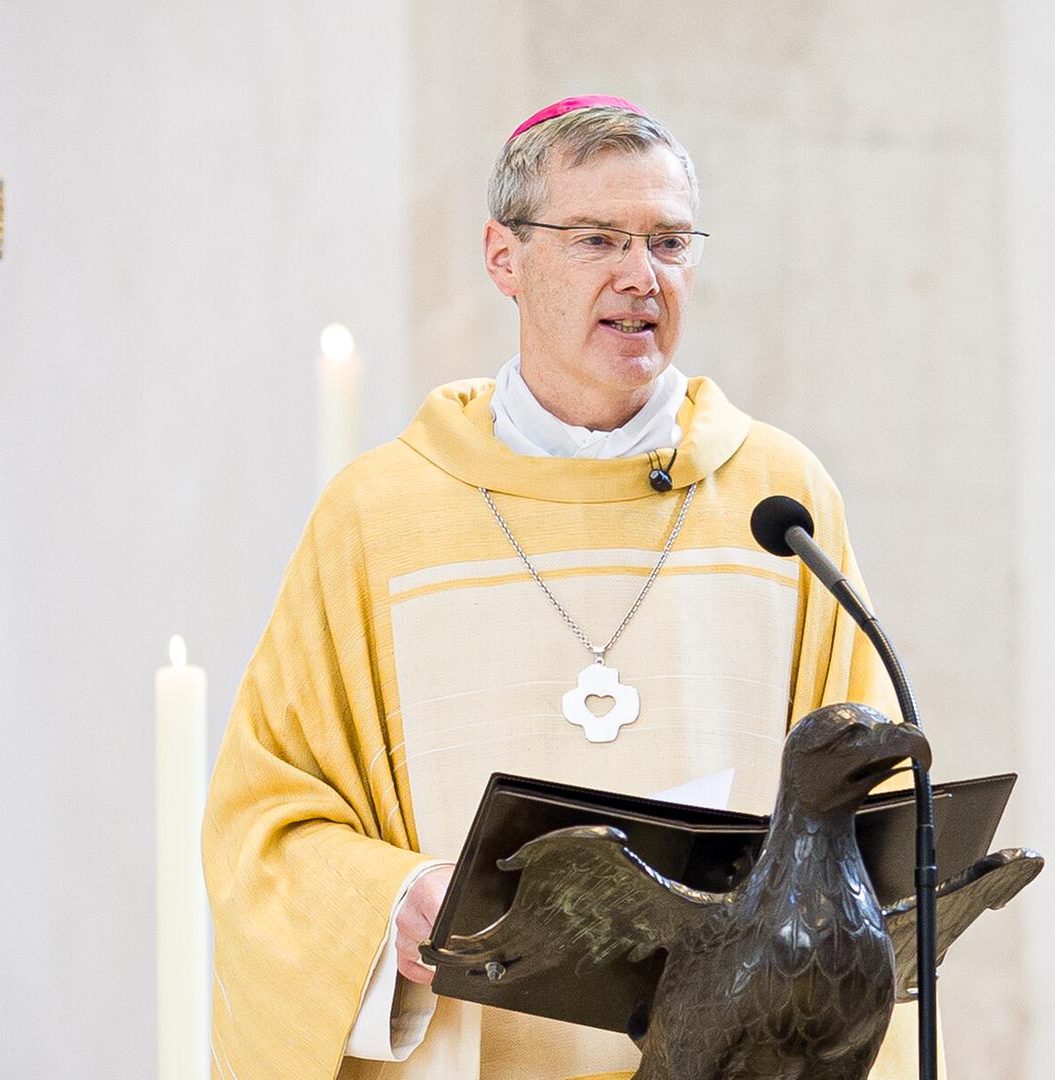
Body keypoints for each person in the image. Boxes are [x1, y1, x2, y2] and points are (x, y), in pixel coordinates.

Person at [205, 96, 925, 1079]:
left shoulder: (779, 500)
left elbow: (871, 820)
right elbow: (264, 825)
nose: (641, 276)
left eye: (669, 241)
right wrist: (394, 899)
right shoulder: (379, 519)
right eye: (597, 239)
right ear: (504, 258)